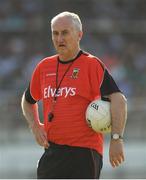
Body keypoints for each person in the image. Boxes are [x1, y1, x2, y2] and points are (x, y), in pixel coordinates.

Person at [21, 11, 127, 179]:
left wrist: (116, 139)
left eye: (65, 32)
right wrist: (35, 125)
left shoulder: (91, 64)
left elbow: (118, 99)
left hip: (84, 152)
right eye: (55, 33)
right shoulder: (44, 67)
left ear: (79, 35)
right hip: (52, 152)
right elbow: (28, 101)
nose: (59, 38)